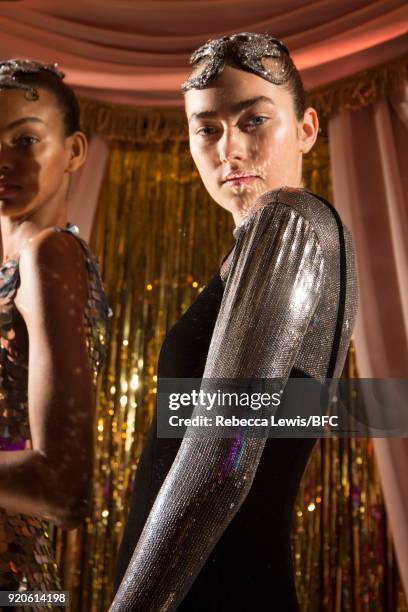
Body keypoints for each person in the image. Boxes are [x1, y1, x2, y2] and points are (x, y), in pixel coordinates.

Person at [111, 33, 358, 611]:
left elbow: (221, 461)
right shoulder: (281, 239)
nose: (229, 149)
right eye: (207, 128)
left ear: (306, 129)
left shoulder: (287, 219)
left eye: (253, 121)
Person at [0, 59, 110, 604]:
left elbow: (66, 485)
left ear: (73, 151)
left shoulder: (48, 255)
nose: (3, 160)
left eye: (25, 140)